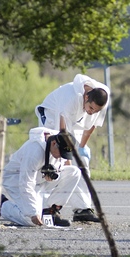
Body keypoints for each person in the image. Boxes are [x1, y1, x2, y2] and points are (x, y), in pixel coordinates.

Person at [35, 74, 110, 223]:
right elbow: (62, 132)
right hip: (51, 116)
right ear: (86, 97)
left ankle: (82, 209)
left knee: (82, 162)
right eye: (90, 108)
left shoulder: (102, 99)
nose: (91, 112)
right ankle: (50, 209)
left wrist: (81, 147)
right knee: (57, 163)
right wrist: (67, 160)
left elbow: (91, 126)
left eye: (95, 111)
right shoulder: (70, 98)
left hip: (75, 120)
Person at [0, 127, 81, 227]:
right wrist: (33, 213)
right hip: (16, 179)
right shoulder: (34, 151)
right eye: (61, 153)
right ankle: (2, 205)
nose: (62, 157)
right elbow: (26, 183)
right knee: (31, 220)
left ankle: (51, 211)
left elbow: (60, 165)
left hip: (40, 180)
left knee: (74, 172)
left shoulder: (60, 141)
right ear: (54, 143)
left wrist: (55, 174)